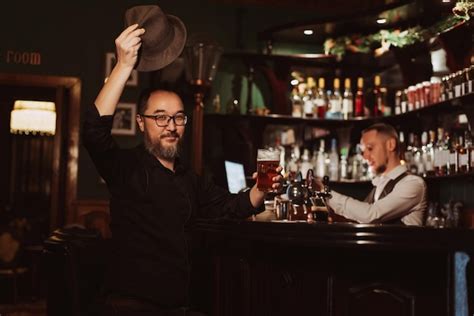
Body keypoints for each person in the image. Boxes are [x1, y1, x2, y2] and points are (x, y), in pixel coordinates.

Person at [82, 6, 282, 316]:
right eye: (160, 117)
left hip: (180, 305)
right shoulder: (127, 169)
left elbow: (228, 207)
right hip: (131, 307)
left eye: (178, 117)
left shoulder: (189, 174)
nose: (171, 126)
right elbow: (94, 131)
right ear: (140, 122)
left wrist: (261, 188)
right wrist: (123, 66)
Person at [320, 123, 427, 225]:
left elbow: (371, 215)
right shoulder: (379, 186)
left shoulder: (413, 183)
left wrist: (324, 193)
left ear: (391, 145)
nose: (365, 156)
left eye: (370, 148)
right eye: (363, 151)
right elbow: (361, 219)